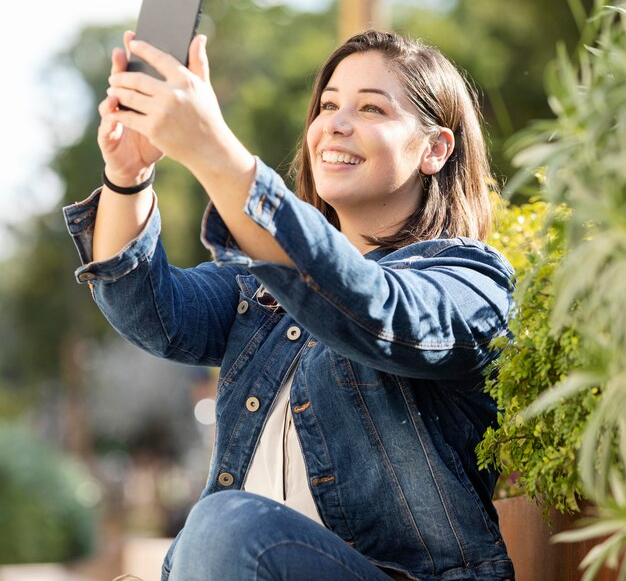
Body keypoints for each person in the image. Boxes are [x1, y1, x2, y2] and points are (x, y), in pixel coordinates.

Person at [64, 28, 515, 581]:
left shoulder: (472, 280)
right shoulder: (260, 293)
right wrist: (127, 176)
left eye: (371, 108)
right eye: (328, 105)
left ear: (435, 149)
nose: (336, 124)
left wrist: (215, 153)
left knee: (221, 528)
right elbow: (150, 312)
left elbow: (372, 309)